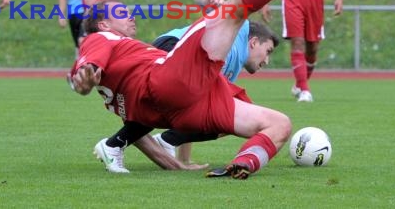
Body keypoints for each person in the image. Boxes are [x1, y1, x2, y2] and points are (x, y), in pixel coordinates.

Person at [69, 0, 322, 179]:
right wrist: (84, 79)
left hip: (178, 108)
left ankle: (244, 162)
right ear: (104, 25)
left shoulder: (120, 52)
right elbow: (89, 66)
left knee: (280, 124)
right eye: (120, 13)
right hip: (166, 83)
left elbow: (98, 86)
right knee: (236, 9)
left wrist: (84, 83)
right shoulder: (100, 38)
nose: (130, 15)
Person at [94, 16, 279, 173]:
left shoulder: (235, 62)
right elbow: (232, 9)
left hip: (175, 56)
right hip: (173, 47)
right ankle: (114, 145)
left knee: (225, 114)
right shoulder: (238, 34)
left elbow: (196, 105)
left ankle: (166, 141)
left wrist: (185, 160)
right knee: (184, 101)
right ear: (253, 42)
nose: (268, 60)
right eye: (268, 51)